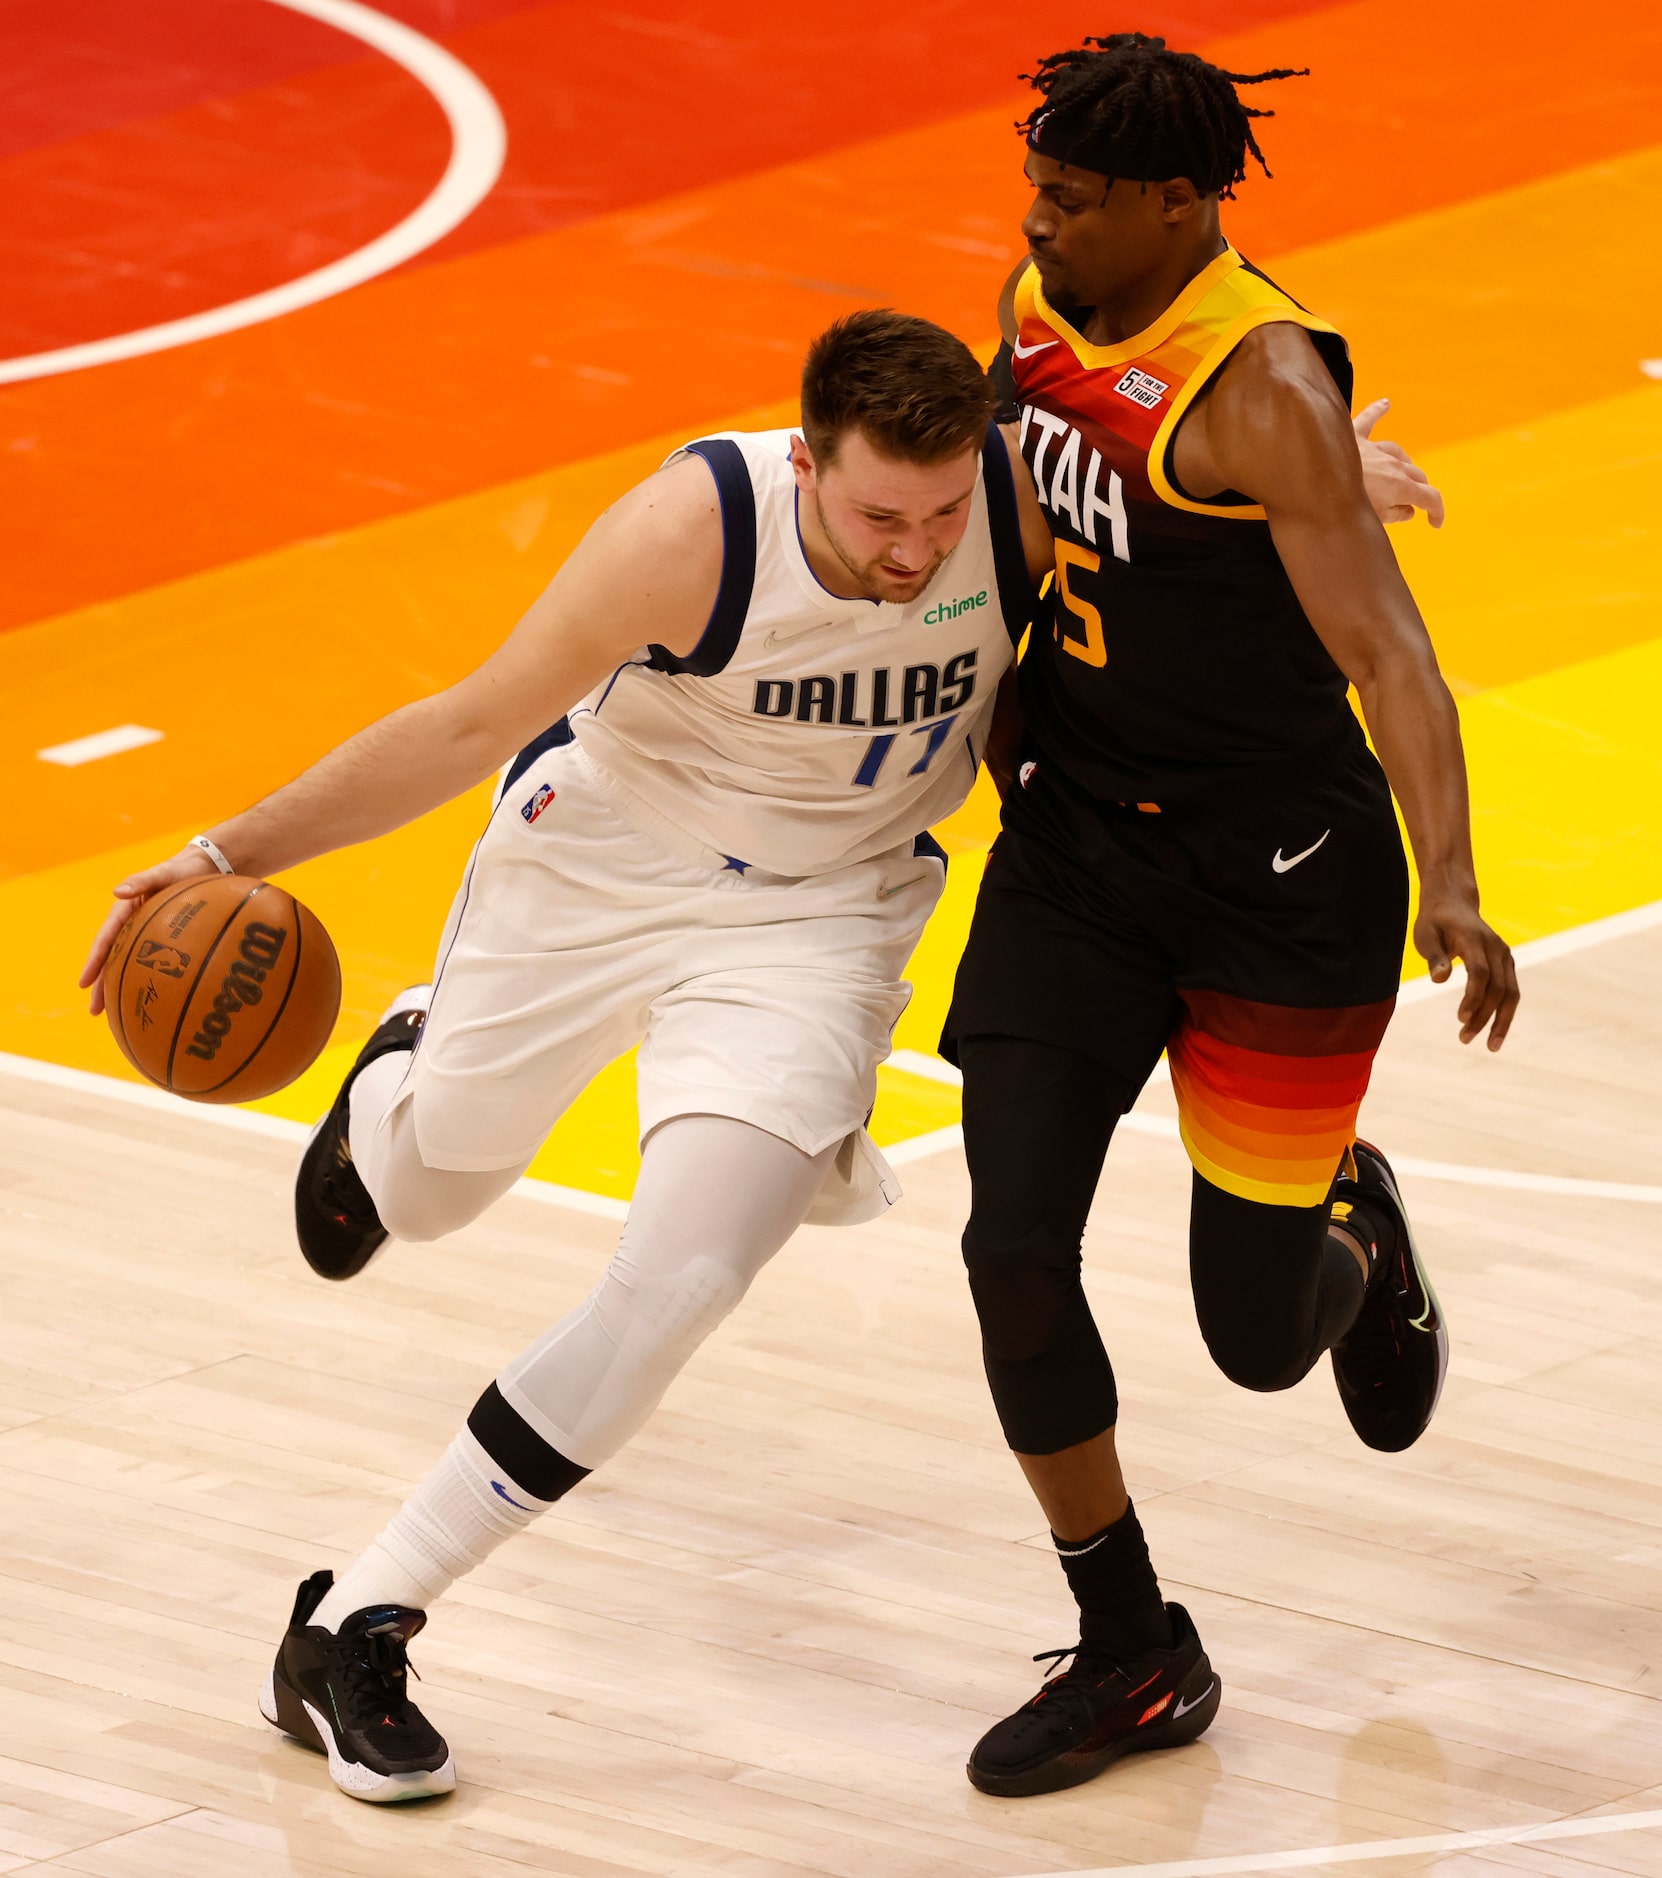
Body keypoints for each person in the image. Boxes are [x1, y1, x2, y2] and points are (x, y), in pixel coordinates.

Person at [81, 302, 1428, 1801]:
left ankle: (353, 1624)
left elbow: (1190, 531)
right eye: (875, 515)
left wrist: (1321, 493)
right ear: (806, 461)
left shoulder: (1010, 501)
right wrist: (217, 849)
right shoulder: (691, 529)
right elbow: (464, 722)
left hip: (817, 925)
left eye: (936, 513)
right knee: (438, 1183)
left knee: (685, 1275)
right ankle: (399, 1080)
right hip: (601, 863)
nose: (915, 550)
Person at [943, 33, 1520, 1798]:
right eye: (1034, 181)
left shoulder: (1259, 383)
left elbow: (1385, 647)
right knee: (1007, 1248)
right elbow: (1017, 522)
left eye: (1071, 193)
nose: (1035, 211)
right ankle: (1131, 1647)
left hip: (1276, 877)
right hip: (1078, 860)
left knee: (1255, 1339)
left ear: (1178, 203)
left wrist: (1457, 883)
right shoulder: (1038, 305)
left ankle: (1354, 1221)